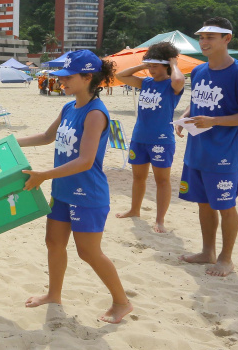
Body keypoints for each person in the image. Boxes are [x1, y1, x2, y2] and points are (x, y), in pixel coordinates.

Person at [17, 49, 132, 324]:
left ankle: (122, 302)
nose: (62, 82)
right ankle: (53, 295)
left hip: (87, 193)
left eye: (68, 77)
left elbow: (85, 160)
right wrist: (12, 143)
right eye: (61, 76)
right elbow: (47, 136)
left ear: (87, 77)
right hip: (63, 191)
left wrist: (44, 174)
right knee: (53, 243)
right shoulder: (69, 107)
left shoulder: (95, 113)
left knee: (88, 251)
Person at [177, 17, 238, 277]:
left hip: (225, 155)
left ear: (227, 38)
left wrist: (215, 121)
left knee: (226, 206)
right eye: (201, 37)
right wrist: (184, 116)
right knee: (203, 204)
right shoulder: (200, 71)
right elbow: (198, 102)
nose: (203, 41)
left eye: (210, 37)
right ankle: (207, 252)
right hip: (197, 150)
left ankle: (226, 258)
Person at [115, 42, 186, 232]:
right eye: (151, 65)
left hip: (161, 140)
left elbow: (179, 81)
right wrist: (143, 65)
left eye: (155, 66)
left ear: (166, 65)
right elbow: (120, 76)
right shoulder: (145, 83)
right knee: (138, 177)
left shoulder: (172, 85)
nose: (152, 69)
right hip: (139, 138)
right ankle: (134, 209)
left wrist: (173, 64)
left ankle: (160, 220)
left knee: (162, 180)